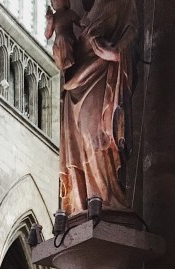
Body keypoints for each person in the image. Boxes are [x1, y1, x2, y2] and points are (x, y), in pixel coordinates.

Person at [59, 0, 138, 215]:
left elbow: (132, 35)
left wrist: (114, 54)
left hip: (102, 73)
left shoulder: (121, 3)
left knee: (95, 135)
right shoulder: (85, 14)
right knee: (77, 140)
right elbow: (70, 51)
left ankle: (106, 199)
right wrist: (62, 40)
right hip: (76, 80)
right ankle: (81, 204)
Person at [45, 0, 81, 72]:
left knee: (62, 38)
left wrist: (84, 23)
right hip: (58, 45)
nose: (55, 2)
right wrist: (50, 21)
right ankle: (64, 64)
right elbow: (47, 35)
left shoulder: (69, 13)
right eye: (53, 1)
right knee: (60, 38)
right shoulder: (54, 17)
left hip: (69, 39)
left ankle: (68, 62)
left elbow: (79, 22)